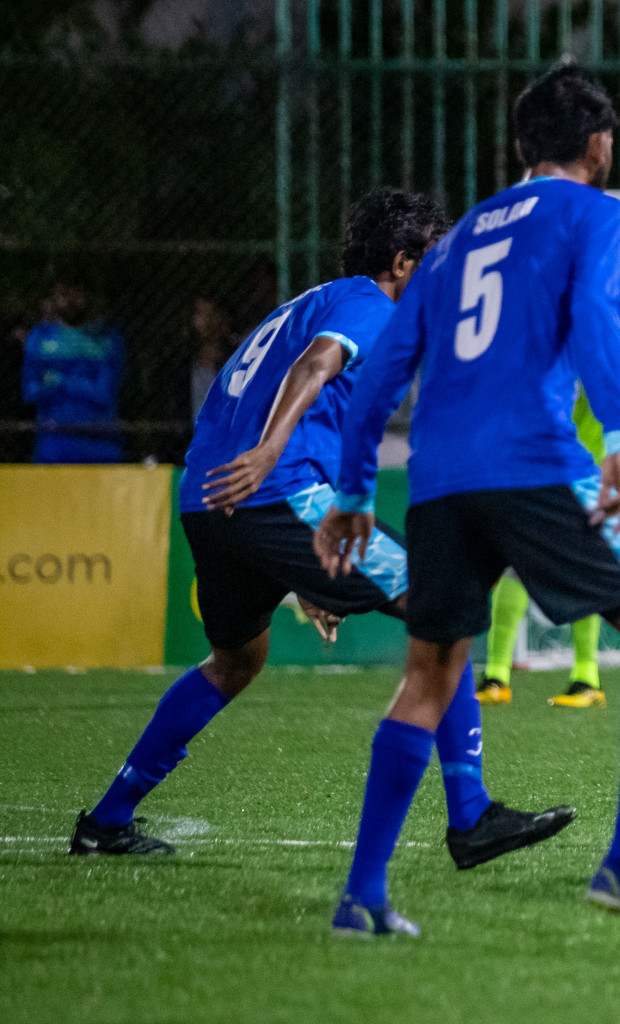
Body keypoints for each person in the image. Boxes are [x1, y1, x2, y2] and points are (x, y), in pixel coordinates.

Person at [315, 64, 620, 938]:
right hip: (535, 462)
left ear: (521, 146)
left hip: (435, 479)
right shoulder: (595, 212)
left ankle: (363, 897)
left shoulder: (457, 238)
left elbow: (383, 373)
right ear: (597, 143)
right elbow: (592, 314)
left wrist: (354, 490)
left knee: (427, 680)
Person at [69, 188, 573, 872]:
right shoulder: (370, 304)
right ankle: (472, 815)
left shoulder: (304, 304)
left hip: (209, 503)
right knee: (442, 605)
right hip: (270, 488)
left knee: (235, 662)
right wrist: (273, 458)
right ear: (403, 262)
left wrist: (297, 565)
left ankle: (107, 819)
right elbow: (317, 368)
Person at [478, 387, 608, 709]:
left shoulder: (598, 346)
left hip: (585, 471)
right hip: (536, 470)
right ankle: (496, 675)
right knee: (516, 564)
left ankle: (586, 676)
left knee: (582, 571)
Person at [22, 280, 125, 463]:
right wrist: (84, 382)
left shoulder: (107, 339)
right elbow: (30, 391)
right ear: (54, 297)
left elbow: (104, 394)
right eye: (63, 294)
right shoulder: (40, 338)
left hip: (101, 444)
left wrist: (58, 381)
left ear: (88, 296)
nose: (70, 300)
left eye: (76, 294)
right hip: (53, 444)